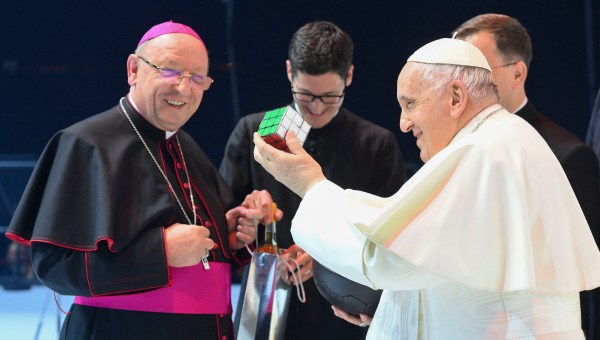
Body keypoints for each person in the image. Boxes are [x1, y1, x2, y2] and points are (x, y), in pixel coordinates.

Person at [252, 37, 600, 339]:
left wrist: (310, 184)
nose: (403, 123)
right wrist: (389, 310)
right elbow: (445, 271)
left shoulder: (484, 152)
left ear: (455, 97)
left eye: (410, 104)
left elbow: (387, 259)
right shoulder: (501, 142)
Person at [5, 21, 281, 340]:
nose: (183, 87)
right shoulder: (85, 143)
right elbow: (54, 268)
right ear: (134, 69)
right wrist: (160, 252)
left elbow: (206, 261)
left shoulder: (187, 147)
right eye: (169, 71)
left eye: (197, 78)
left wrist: (231, 235)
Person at [219, 21, 406, 339]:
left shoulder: (376, 143)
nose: (317, 108)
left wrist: (323, 256)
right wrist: (247, 220)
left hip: (343, 311)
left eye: (330, 97)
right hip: (266, 304)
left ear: (349, 76)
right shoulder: (255, 131)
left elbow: (391, 239)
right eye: (305, 95)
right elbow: (225, 225)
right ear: (289, 71)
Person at [453, 14, 600, 338]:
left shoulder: (567, 155)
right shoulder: (450, 153)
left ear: (517, 72)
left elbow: (578, 278)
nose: (460, 85)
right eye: (456, 73)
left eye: (475, 72)